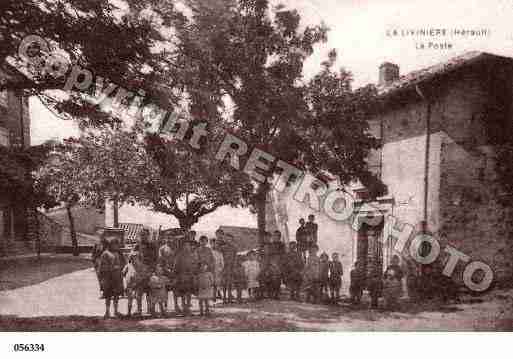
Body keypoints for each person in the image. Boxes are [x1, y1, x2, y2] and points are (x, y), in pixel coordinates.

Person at [98, 236, 125, 319]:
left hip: (117, 277)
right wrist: (112, 268)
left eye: (117, 244)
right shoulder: (105, 254)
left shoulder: (117, 253)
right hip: (108, 278)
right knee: (108, 296)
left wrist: (121, 268)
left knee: (116, 295)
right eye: (114, 244)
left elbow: (123, 263)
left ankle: (116, 311)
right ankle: (107, 311)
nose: (116, 246)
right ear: (110, 245)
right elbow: (102, 267)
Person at [173, 240, 198, 315]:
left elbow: (195, 265)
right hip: (182, 277)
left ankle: (187, 308)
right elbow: (175, 267)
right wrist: (177, 276)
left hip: (190, 276)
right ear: (182, 247)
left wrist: (194, 272)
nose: (187, 247)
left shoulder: (192, 255)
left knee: (189, 293)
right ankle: (184, 307)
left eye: (188, 245)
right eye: (185, 246)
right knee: (183, 293)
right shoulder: (179, 256)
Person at [220, 235, 237, 303]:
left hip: (231, 267)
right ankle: (224, 298)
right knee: (224, 283)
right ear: (225, 240)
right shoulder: (222, 248)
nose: (228, 241)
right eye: (227, 239)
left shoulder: (234, 248)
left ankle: (229, 297)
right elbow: (220, 257)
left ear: (232, 240)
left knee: (230, 283)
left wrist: (234, 266)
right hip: (224, 267)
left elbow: (235, 258)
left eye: (230, 239)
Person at [122, 252, 140, 317]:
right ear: (130, 258)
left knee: (138, 298)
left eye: (136, 258)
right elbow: (123, 274)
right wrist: (125, 284)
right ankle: (129, 312)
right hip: (129, 285)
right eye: (133, 258)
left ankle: (139, 311)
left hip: (137, 284)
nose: (135, 259)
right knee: (130, 299)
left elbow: (141, 274)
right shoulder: (128, 265)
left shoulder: (139, 265)